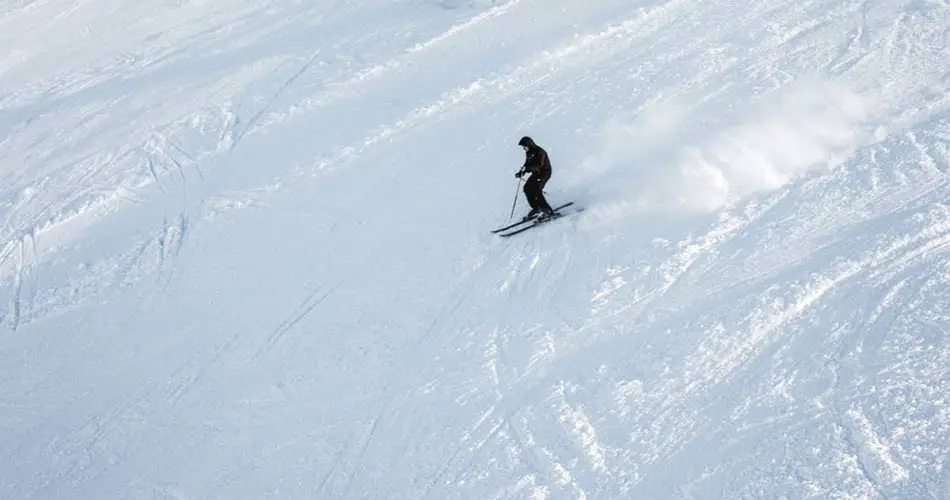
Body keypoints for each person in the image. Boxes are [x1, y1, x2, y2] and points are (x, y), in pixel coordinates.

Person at [515, 136, 555, 220]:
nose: (524, 149)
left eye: (524, 146)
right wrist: (521, 172)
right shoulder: (529, 152)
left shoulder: (540, 152)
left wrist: (527, 169)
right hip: (536, 174)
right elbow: (527, 164)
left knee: (537, 189)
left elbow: (538, 166)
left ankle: (547, 211)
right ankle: (536, 208)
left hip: (544, 173)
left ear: (529, 144)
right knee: (527, 188)